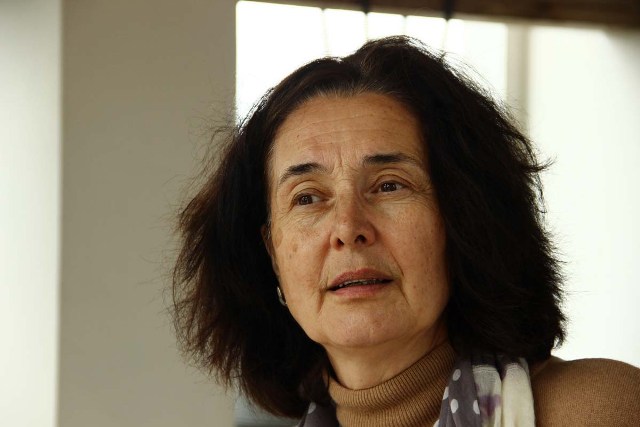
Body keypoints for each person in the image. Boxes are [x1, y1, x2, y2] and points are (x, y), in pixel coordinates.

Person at [172, 36, 640, 426]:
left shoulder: (598, 409)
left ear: (463, 220)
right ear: (272, 254)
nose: (348, 228)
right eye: (308, 197)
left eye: (389, 185)